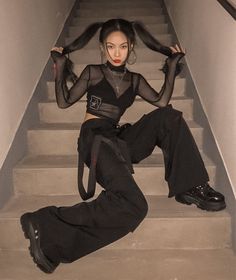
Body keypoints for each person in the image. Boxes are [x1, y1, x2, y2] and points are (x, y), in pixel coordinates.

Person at [20, 18, 226, 274]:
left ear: (131, 48)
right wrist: (60, 66)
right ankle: (46, 224)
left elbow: (161, 101)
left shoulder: (136, 80)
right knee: (134, 205)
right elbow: (64, 102)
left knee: (169, 116)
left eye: (123, 47)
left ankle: (190, 187)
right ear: (102, 48)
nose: (117, 53)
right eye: (110, 47)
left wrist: (172, 67)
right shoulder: (93, 72)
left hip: (119, 138)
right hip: (94, 138)